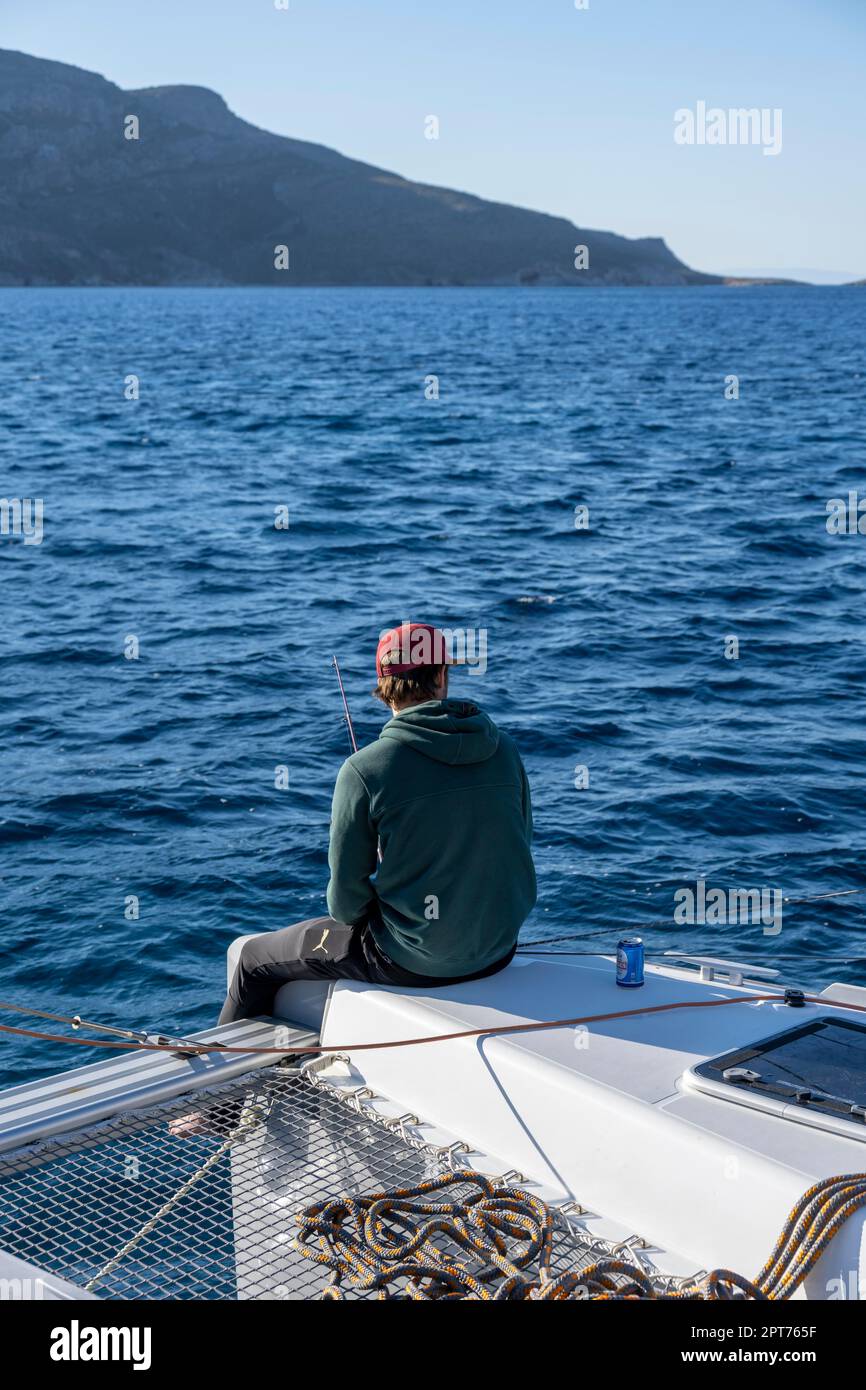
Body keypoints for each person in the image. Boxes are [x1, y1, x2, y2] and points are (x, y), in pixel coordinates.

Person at [219, 621, 536, 1023]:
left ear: (384, 684)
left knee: (253, 959)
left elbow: (345, 906)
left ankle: (216, 1073)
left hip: (413, 961)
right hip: (498, 950)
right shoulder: (504, 748)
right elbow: (519, 841)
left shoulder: (364, 769)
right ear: (441, 675)